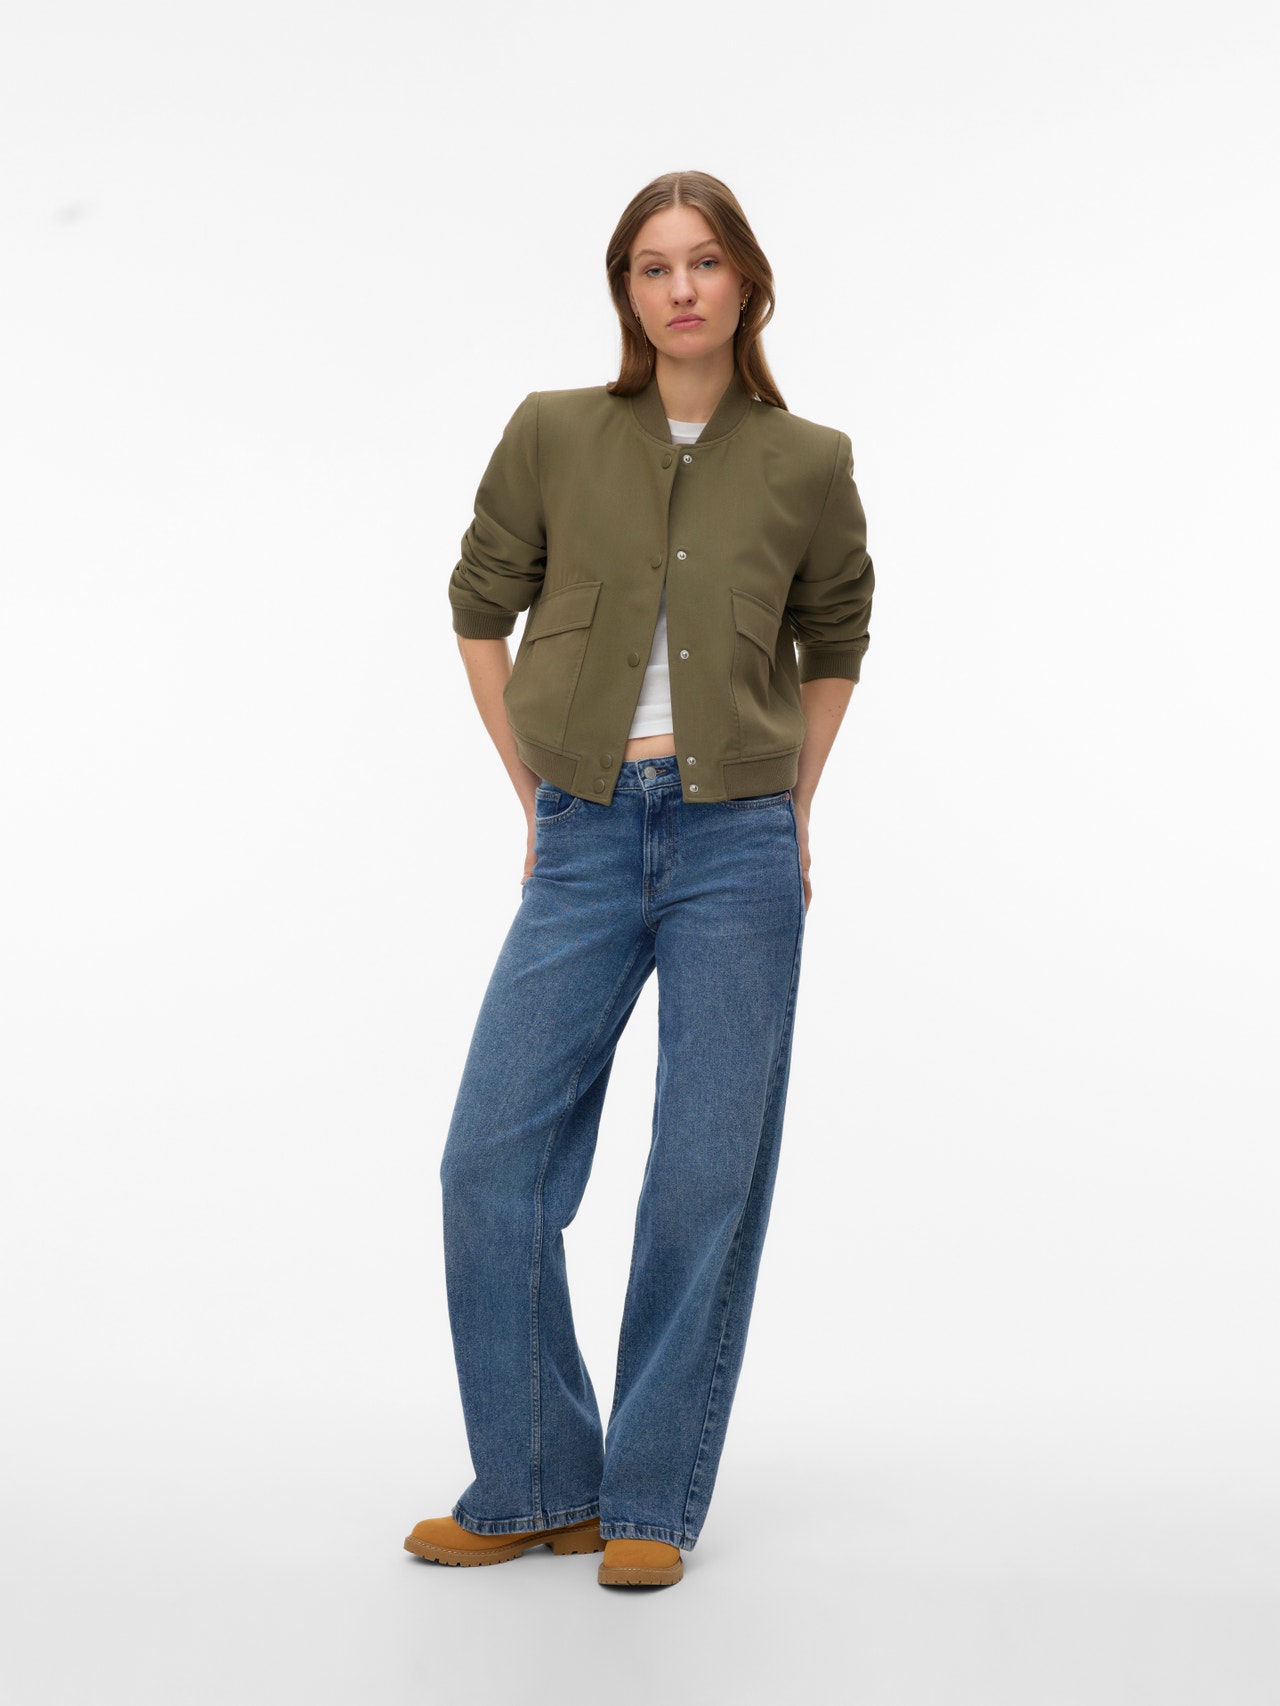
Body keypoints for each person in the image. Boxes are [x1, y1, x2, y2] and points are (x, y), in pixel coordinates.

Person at [404, 170, 875, 1589]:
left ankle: (648, 1501)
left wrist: (796, 803)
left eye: (705, 262)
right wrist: (533, 795)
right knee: (491, 1160)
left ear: (747, 283)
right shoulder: (554, 433)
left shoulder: (809, 460)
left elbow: (838, 634)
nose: (681, 288)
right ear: (626, 290)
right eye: (653, 266)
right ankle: (537, 1481)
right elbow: (479, 609)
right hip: (587, 831)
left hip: (738, 843)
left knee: (700, 1175)